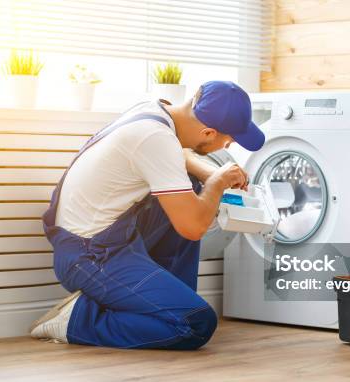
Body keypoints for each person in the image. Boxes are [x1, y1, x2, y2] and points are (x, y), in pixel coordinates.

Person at [29, 81, 265, 349]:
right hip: (89, 256)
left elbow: (172, 156)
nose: (231, 145)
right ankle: (77, 321)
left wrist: (209, 173)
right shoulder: (155, 138)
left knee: (191, 185)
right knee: (196, 324)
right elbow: (193, 227)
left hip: (108, 239)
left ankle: (167, 302)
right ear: (208, 132)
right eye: (230, 140)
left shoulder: (157, 113)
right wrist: (217, 183)